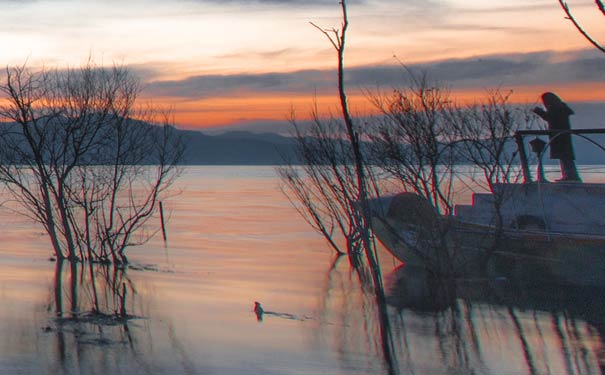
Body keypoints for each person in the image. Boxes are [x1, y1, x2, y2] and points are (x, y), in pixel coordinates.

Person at [532, 92, 582, 182]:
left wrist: (540, 112)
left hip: (560, 137)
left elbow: (552, 118)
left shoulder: (558, 109)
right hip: (560, 136)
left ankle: (570, 175)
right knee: (564, 157)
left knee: (565, 156)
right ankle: (569, 175)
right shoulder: (560, 108)